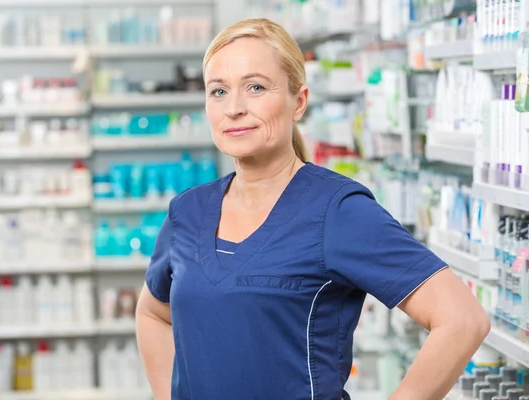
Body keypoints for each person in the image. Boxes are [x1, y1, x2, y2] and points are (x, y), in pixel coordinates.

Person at [136, 18, 490, 400]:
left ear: (299, 101)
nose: (234, 108)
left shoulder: (337, 212)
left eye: (255, 87)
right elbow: (154, 313)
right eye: (218, 91)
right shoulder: (187, 212)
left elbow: (462, 320)